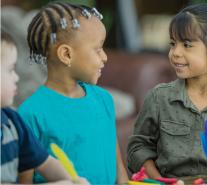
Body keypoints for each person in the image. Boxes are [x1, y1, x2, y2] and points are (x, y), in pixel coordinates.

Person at [127, 2, 207, 179]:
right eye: (172, 43)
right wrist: (159, 180)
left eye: (186, 44)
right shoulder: (159, 98)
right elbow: (138, 147)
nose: (175, 52)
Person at [17, 2, 128, 184]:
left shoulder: (104, 99)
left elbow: (119, 170)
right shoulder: (30, 114)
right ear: (66, 55)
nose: (105, 57)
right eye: (98, 49)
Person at [1, 30, 89, 184]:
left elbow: (46, 163)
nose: (17, 77)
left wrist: (72, 180)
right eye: (10, 70)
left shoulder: (13, 121)